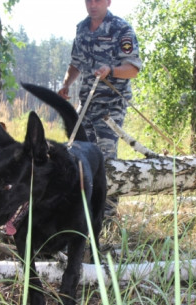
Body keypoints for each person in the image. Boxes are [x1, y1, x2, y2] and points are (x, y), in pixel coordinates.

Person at [58, 0, 142, 218]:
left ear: (108, 2)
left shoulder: (121, 29)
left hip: (111, 105)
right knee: (77, 154)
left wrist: (110, 70)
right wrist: (66, 84)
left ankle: (107, 215)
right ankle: (80, 209)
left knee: (106, 158)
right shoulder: (82, 28)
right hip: (86, 104)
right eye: (88, 0)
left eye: (98, 0)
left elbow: (132, 69)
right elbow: (75, 63)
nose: (92, 5)